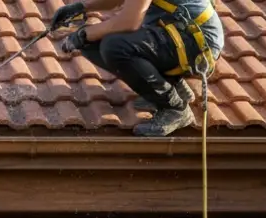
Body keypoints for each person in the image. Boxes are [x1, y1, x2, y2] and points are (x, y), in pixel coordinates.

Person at [50, 0, 223, 137]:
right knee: (93, 40)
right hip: (178, 35)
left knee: (115, 46)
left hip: (197, 42)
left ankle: (174, 108)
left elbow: (129, 21)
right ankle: (173, 87)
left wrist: (83, 34)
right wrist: (82, 7)